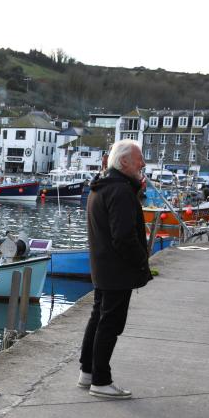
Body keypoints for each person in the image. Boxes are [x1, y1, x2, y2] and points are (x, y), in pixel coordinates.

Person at [78, 140, 152, 398]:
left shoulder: (102, 188)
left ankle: (88, 372)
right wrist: (141, 262)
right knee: (110, 324)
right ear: (123, 163)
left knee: (98, 318)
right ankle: (101, 379)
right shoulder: (120, 191)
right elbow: (123, 237)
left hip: (103, 267)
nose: (143, 163)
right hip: (117, 270)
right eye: (138, 159)